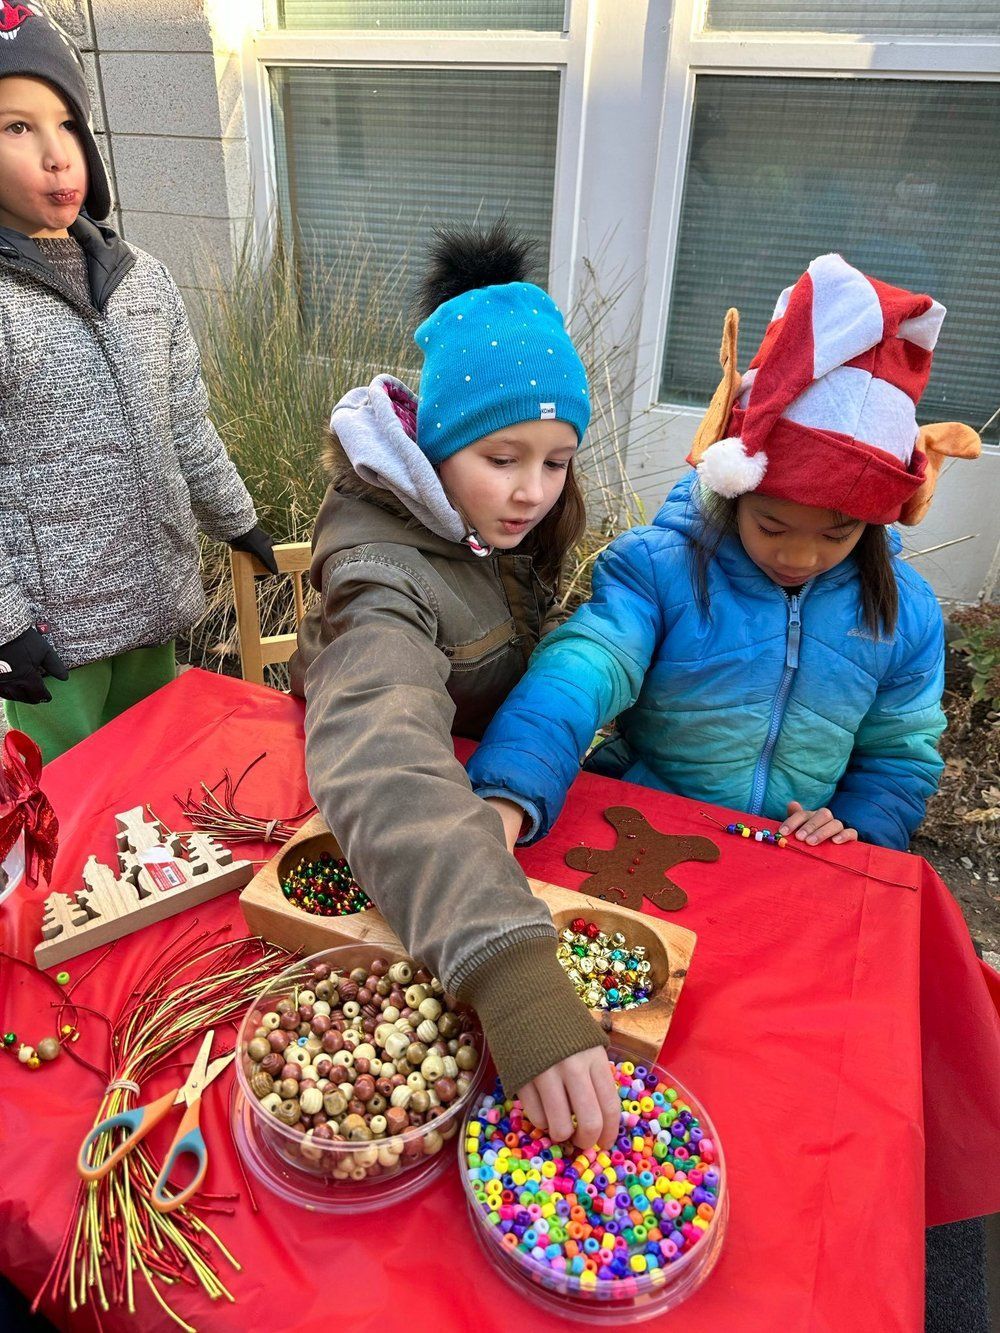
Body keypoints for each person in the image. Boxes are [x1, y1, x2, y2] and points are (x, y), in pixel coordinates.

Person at [466, 253, 980, 857]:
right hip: (640, 821)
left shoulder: (903, 612)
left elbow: (899, 752)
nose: (799, 554)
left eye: (835, 537)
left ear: (870, 526)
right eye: (772, 524)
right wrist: (508, 792)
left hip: (789, 854)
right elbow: (578, 672)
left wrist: (860, 825)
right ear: (734, 490)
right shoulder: (660, 569)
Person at [291, 219, 621, 1149]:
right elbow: (382, 753)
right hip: (391, 825)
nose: (532, 492)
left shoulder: (506, 524)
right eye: (503, 459)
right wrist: (509, 969)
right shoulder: (381, 576)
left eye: (556, 462)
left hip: (487, 788)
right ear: (436, 447)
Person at [0, 3, 275, 763]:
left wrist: (238, 520)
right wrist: (4, 624)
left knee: (159, 776)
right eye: (15, 128)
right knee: (69, 804)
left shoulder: (143, 280)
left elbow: (186, 422)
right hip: (53, 641)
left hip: (151, 603)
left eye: (64, 123)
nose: (55, 155)